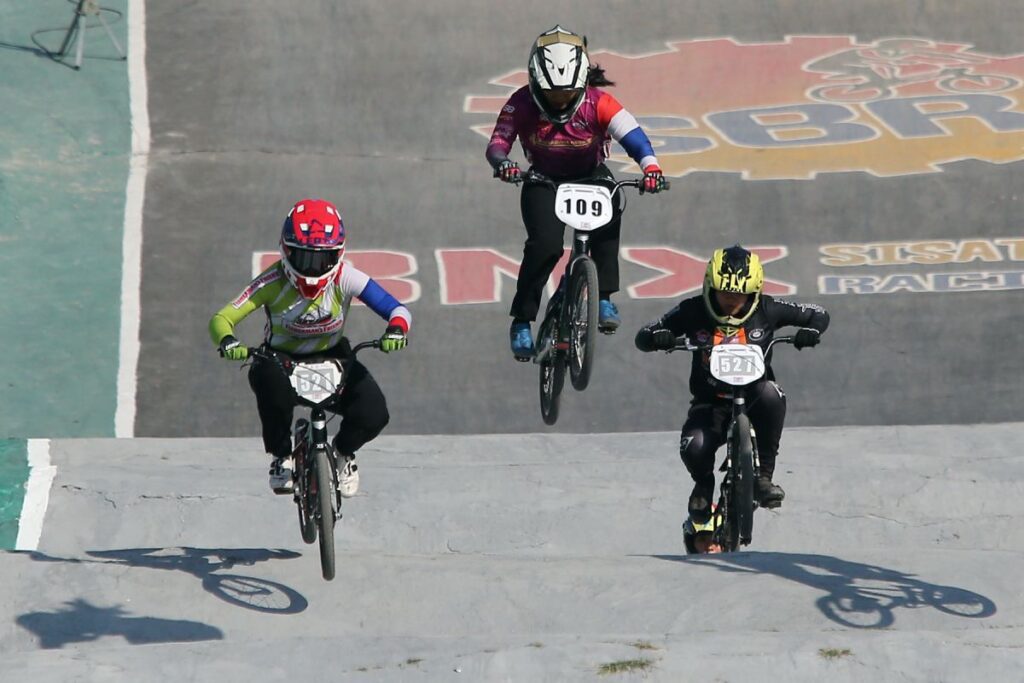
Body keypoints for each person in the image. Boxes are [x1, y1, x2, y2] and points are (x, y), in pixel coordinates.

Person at [486, 25, 668, 360]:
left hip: (590, 175)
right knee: (544, 246)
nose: (559, 101)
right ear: (535, 82)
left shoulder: (600, 103)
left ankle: (603, 297)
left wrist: (651, 168)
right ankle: (522, 321)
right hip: (542, 179)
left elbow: (634, 137)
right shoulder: (520, 103)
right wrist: (503, 164)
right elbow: (498, 143)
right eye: (552, 94)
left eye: (567, 93)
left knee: (611, 212)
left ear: (582, 83)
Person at [209, 198, 411, 496]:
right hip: (280, 359)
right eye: (304, 258)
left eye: (323, 259)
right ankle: (281, 456)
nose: (313, 269)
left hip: (335, 356)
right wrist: (228, 341)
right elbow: (222, 319)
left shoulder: (346, 277)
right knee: (267, 382)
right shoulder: (270, 282)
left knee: (374, 413)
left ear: (338, 254)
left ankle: (343, 453)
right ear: (286, 250)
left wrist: (396, 330)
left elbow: (397, 309)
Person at [634, 245, 829, 530]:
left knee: (772, 394)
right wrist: (658, 337)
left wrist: (810, 332)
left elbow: (818, 313)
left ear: (755, 292)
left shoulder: (768, 308)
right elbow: (644, 334)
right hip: (709, 403)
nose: (731, 301)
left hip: (754, 398)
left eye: (740, 295)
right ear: (709, 287)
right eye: (724, 293)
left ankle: (763, 477)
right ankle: (703, 484)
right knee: (693, 448)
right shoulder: (692, 309)